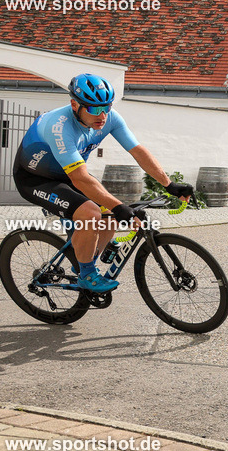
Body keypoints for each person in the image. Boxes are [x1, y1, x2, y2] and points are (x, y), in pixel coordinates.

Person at [13, 74, 193, 292]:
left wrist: (169, 185)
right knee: (91, 214)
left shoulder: (110, 117)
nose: (102, 115)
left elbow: (138, 151)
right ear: (74, 105)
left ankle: (89, 256)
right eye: (94, 109)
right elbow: (79, 178)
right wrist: (119, 207)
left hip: (70, 175)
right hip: (36, 179)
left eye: (106, 107)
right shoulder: (59, 127)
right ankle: (87, 275)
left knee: (108, 214)